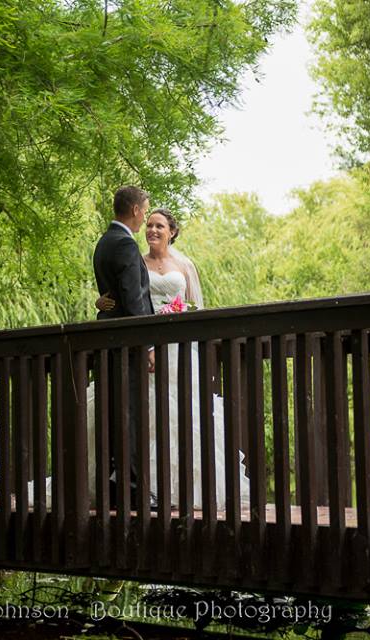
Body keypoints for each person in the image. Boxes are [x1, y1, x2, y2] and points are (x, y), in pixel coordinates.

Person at [91, 207, 250, 510]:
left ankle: (182, 485)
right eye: (149, 225)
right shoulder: (136, 259)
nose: (152, 230)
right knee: (144, 413)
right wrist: (101, 303)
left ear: (172, 232)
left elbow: (194, 306)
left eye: (159, 226)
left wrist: (180, 314)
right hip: (146, 346)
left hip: (177, 346)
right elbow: (127, 298)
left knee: (182, 414)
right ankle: (144, 485)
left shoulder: (184, 265)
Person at [91, 186, 156, 509]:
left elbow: (112, 297)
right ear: (134, 209)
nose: (145, 216)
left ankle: (117, 482)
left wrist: (102, 307)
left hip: (110, 342)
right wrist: (146, 347)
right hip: (128, 344)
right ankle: (132, 488)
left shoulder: (103, 243)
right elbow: (133, 299)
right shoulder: (126, 246)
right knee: (129, 413)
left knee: (116, 412)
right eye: (145, 210)